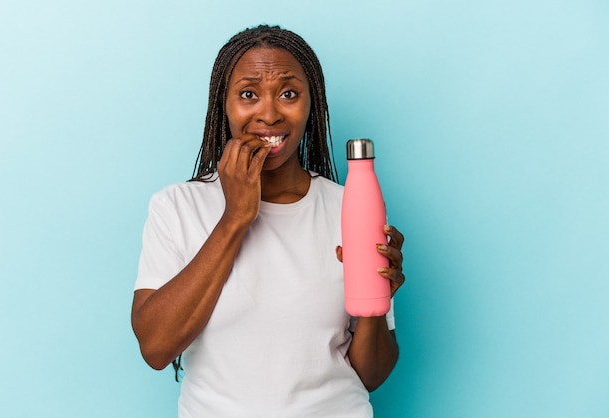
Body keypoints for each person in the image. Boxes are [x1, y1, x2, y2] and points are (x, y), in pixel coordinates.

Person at [131, 24, 406, 417]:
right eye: (248, 94)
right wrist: (235, 219)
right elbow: (156, 348)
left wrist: (376, 302)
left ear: (313, 106)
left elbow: (370, 375)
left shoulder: (351, 207)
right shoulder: (177, 207)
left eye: (289, 94)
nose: (269, 112)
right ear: (222, 105)